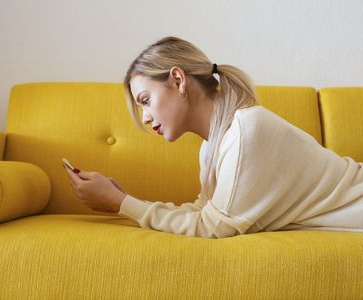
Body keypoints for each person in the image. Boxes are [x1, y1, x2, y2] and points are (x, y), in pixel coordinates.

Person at [64, 36, 363, 238]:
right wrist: (124, 200)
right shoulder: (213, 144)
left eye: (145, 100)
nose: (145, 118)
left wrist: (120, 202)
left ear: (178, 80)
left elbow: (212, 227)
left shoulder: (247, 129)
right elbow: (204, 212)